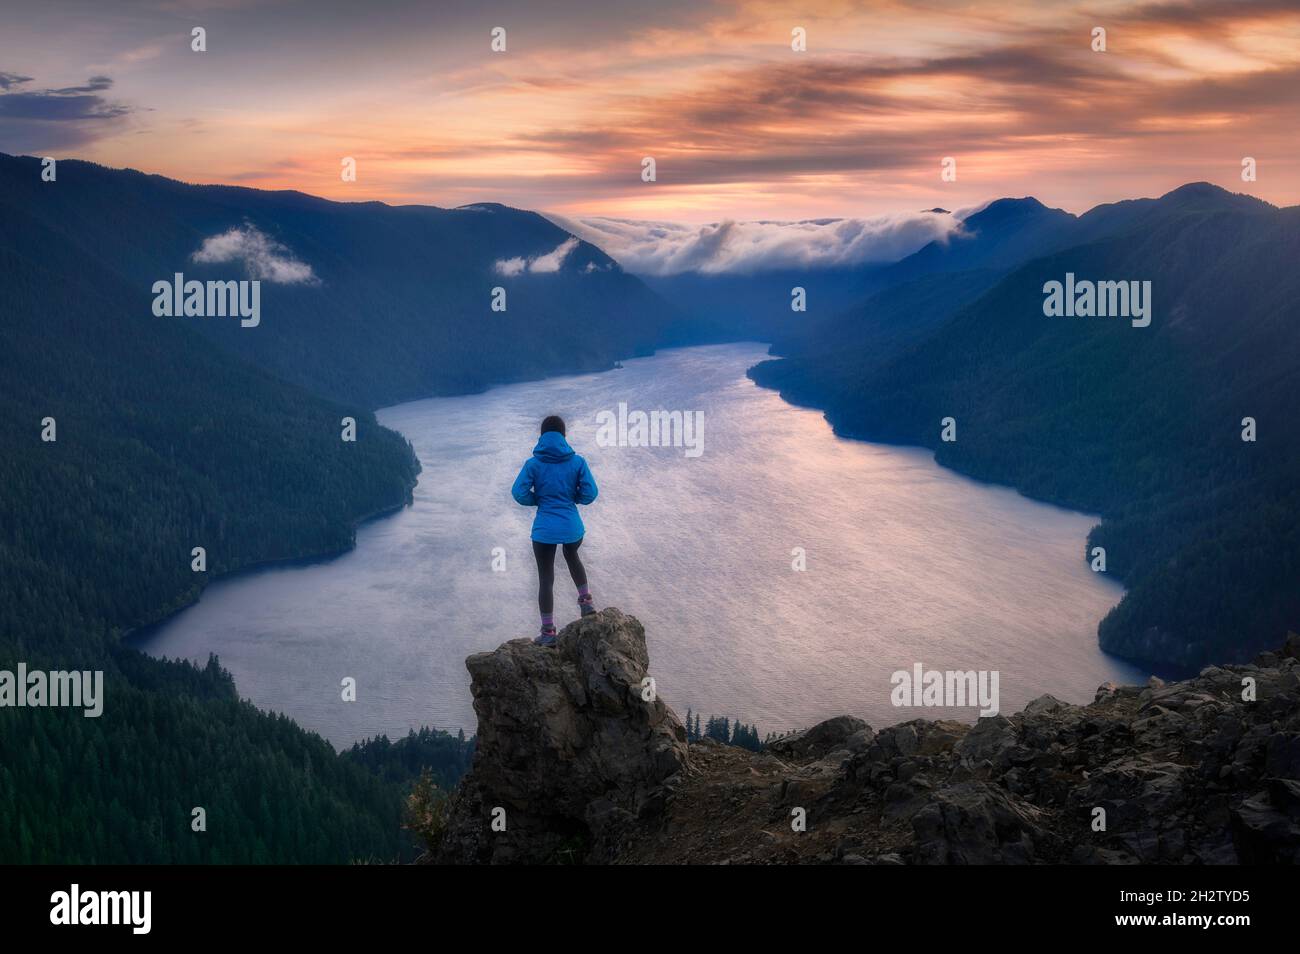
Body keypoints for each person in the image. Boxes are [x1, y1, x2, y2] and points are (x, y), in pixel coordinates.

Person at [511, 415, 598, 646]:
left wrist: (538, 499)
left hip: (544, 530)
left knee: (546, 578)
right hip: (571, 525)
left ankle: (548, 633)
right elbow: (590, 493)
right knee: (572, 555)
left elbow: (518, 492)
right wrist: (573, 498)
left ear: (541, 437)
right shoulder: (577, 462)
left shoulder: (533, 464)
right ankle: (586, 603)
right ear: (564, 436)